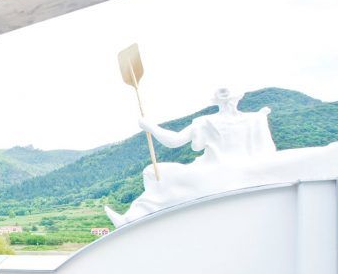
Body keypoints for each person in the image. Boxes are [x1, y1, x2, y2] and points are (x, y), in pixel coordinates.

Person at [105, 88, 275, 227]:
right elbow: (268, 153)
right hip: (241, 175)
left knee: (154, 172)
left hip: (214, 173)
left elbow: (174, 140)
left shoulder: (208, 121)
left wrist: (150, 126)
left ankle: (133, 218)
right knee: (157, 173)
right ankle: (139, 217)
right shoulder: (256, 119)